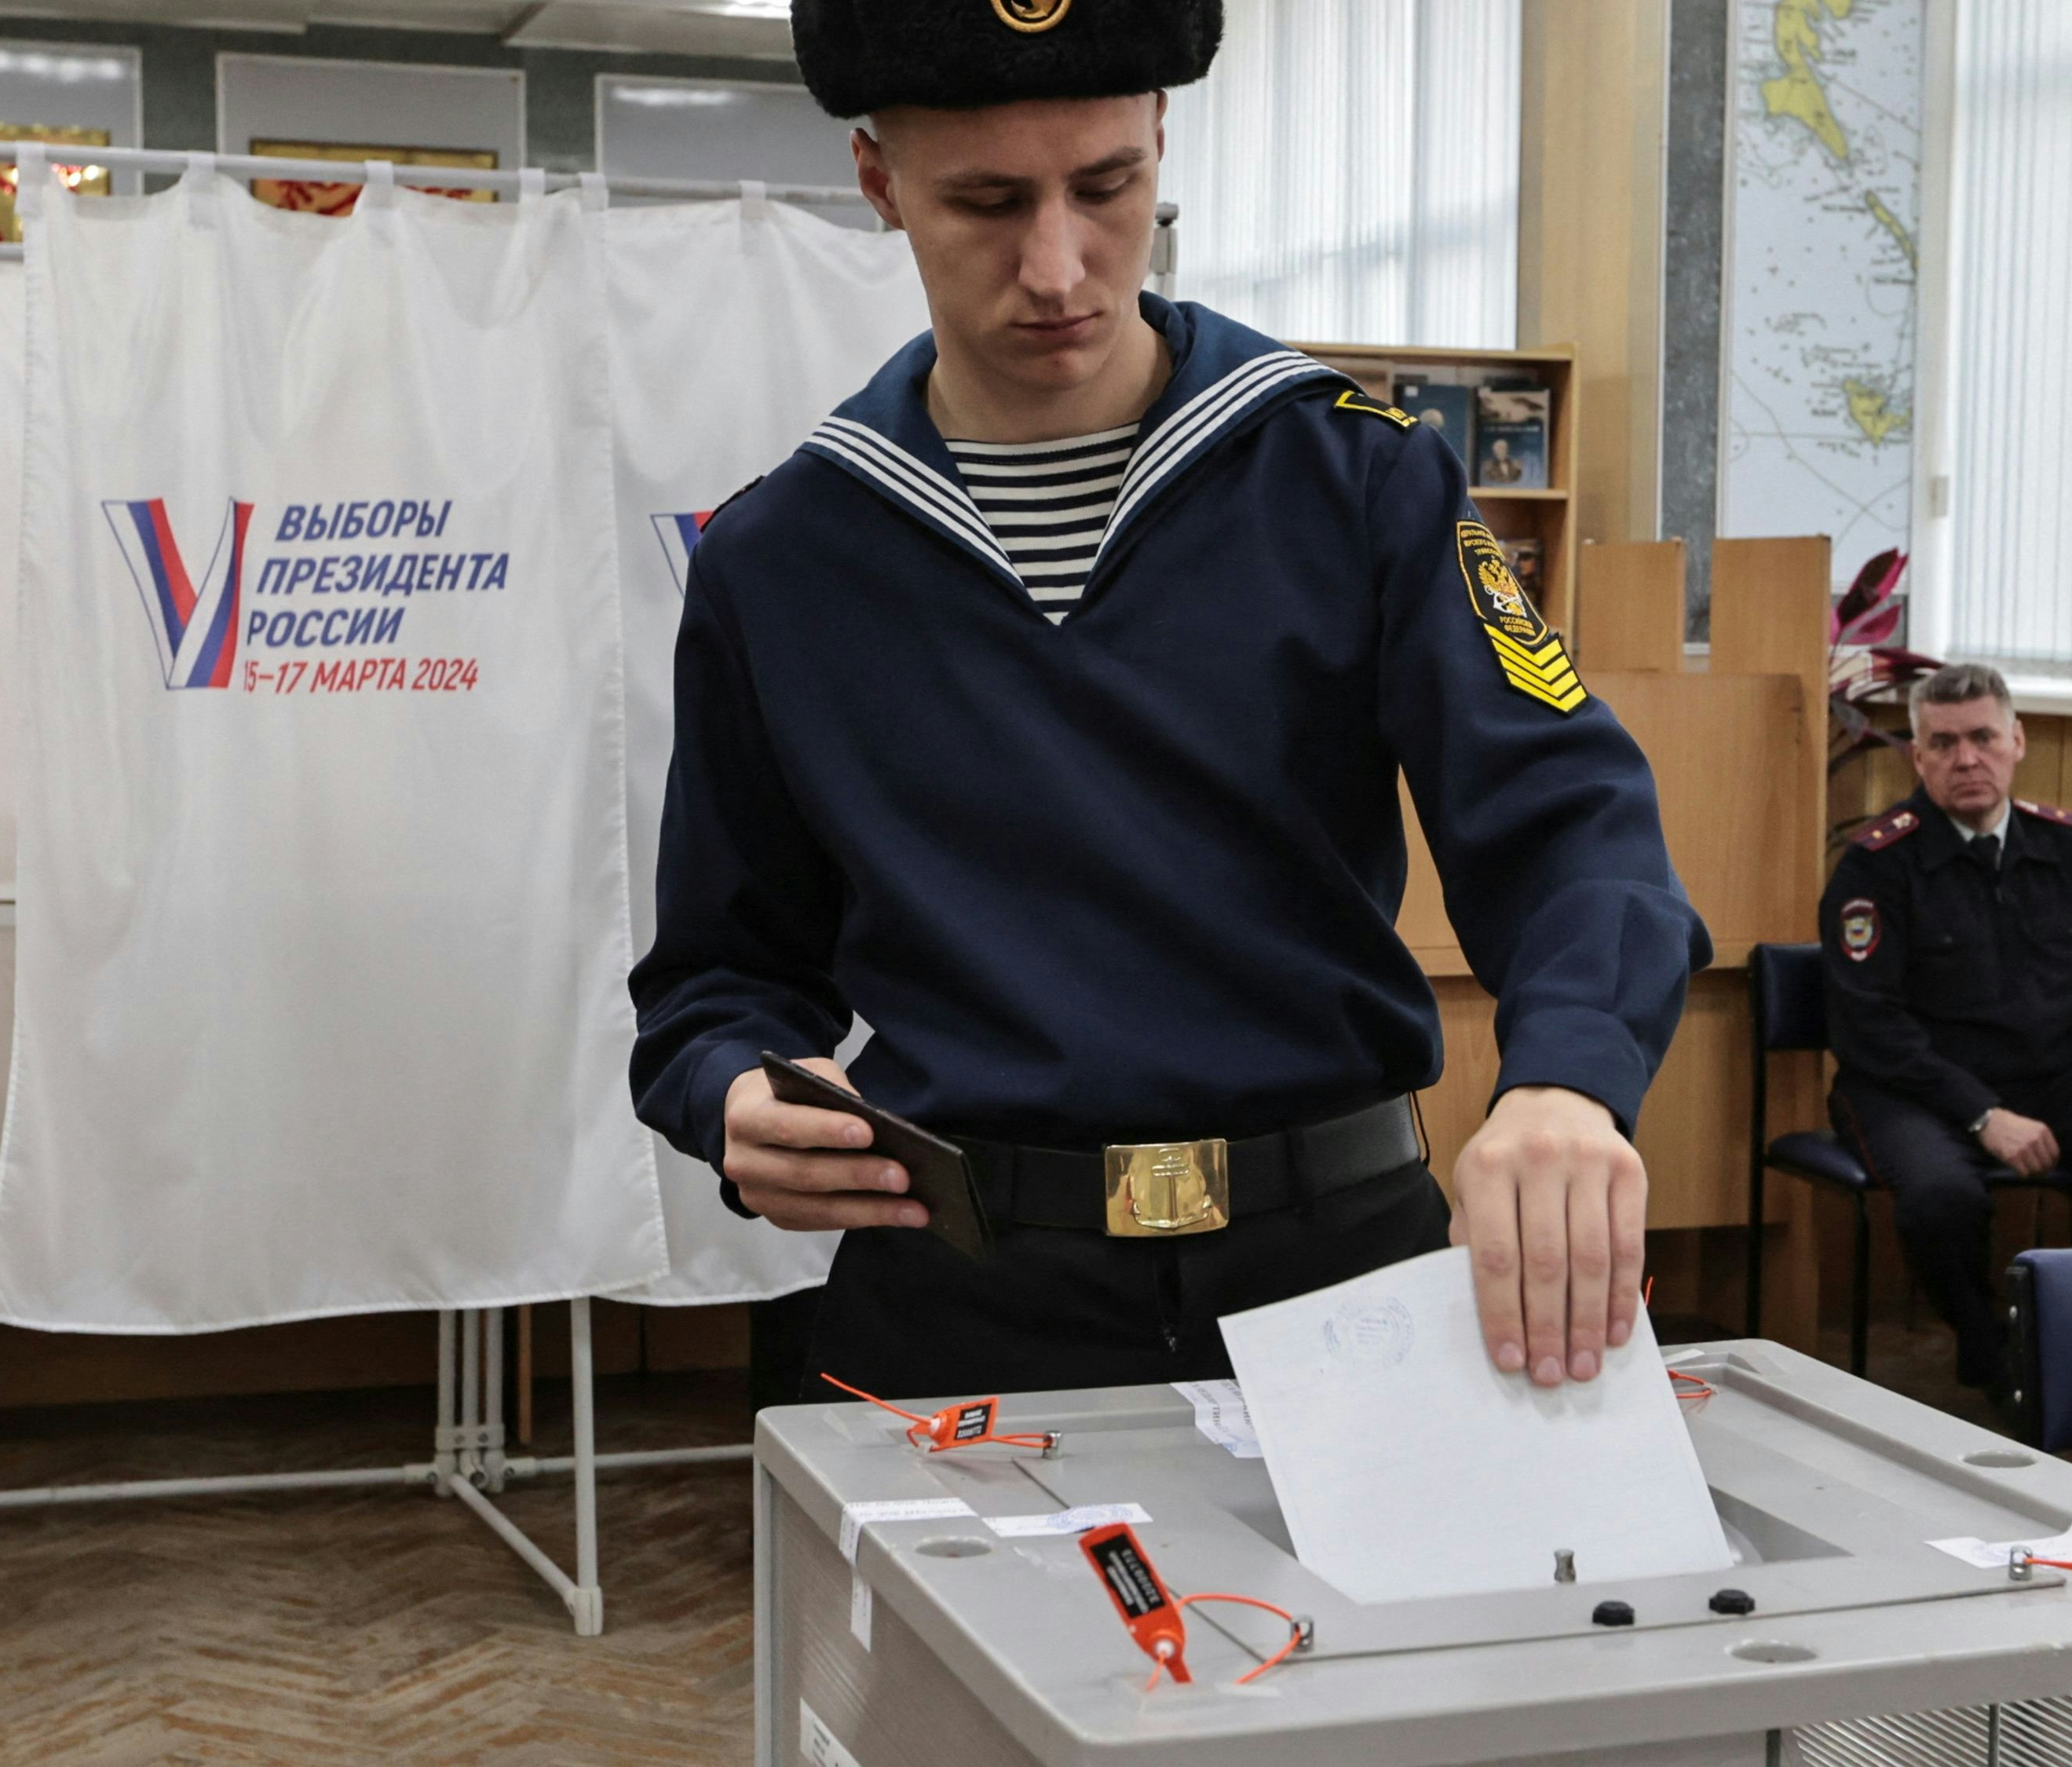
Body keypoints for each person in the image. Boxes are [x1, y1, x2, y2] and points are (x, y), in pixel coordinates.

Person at [630, 0, 1708, 1404]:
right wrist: (730, 1091)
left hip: (1343, 1278)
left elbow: (1573, 825)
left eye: (1106, 188)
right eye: (988, 203)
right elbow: (720, 973)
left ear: (1161, 142)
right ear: (878, 182)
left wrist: (1569, 1075)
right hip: (963, 1298)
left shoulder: (1355, 481)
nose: (1059, 267)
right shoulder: (783, 559)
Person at [1821, 664, 2072, 1389]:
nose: (1966, 759)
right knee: (1943, 1200)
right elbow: (1869, 1026)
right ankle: (1994, 1357)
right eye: (1943, 743)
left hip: (2049, 1077)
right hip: (1912, 1090)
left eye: (1982, 737)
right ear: (1918, 755)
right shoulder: (1876, 866)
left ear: (2017, 741)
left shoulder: (2064, 848)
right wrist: (1981, 1115)